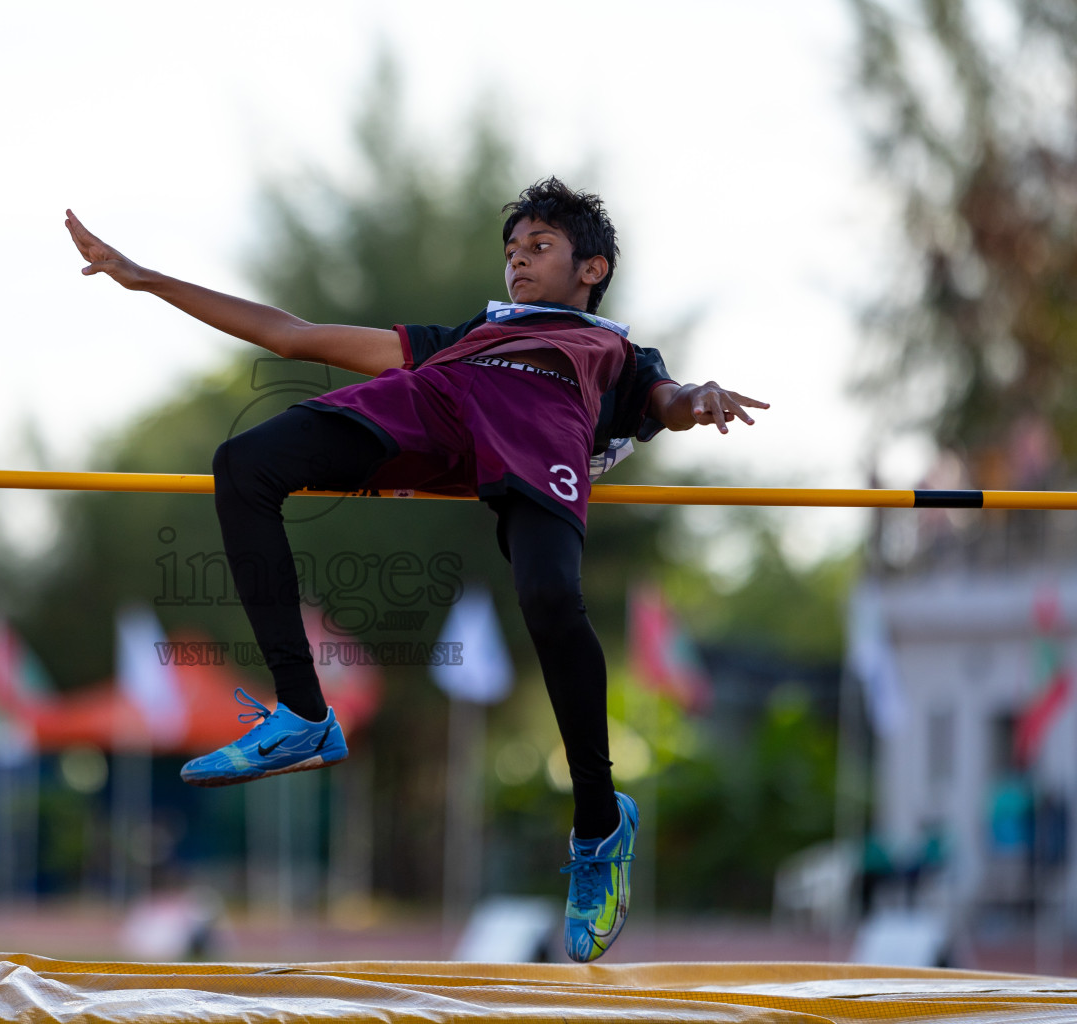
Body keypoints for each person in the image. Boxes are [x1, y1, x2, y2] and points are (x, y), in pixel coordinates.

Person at [65, 178, 767, 962]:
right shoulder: (471, 332)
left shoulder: (616, 352)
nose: (518, 264)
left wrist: (698, 396)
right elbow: (295, 336)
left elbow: (666, 400)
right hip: (432, 406)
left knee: (547, 597)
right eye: (511, 252)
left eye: (540, 249)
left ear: (592, 269)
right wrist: (146, 278)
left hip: (539, 437)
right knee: (245, 463)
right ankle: (301, 713)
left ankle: (600, 822)